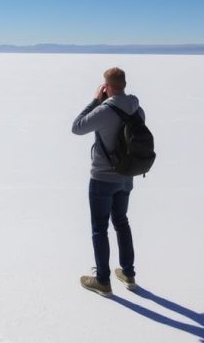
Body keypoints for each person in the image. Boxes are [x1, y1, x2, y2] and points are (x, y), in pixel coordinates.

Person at [71, 66, 145, 296]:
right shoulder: (137, 110)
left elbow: (77, 127)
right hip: (126, 178)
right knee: (122, 222)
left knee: (99, 228)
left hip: (103, 178)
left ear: (108, 86)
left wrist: (95, 101)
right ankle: (128, 274)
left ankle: (103, 281)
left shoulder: (104, 110)